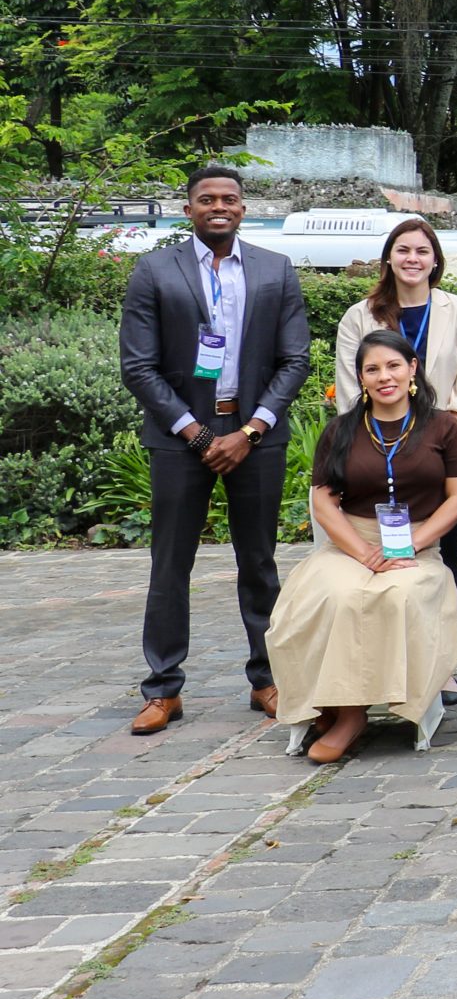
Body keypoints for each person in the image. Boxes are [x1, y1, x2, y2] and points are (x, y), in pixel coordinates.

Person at [118, 163, 313, 734]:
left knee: (259, 561)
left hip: (256, 436)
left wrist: (250, 431)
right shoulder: (155, 270)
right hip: (180, 438)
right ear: (189, 210)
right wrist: (197, 434)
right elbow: (138, 366)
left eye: (229, 198)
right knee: (169, 563)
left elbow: (295, 360)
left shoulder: (275, 269)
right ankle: (163, 689)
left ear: (243, 208)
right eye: (207, 199)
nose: (219, 206)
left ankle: (267, 678)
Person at [269, 330, 457, 763]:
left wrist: (411, 546)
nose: (385, 377)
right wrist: (363, 554)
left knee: (399, 595)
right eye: (373, 369)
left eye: (394, 365)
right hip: (351, 544)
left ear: (412, 369)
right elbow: (324, 503)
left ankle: (355, 711)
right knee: (336, 594)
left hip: (417, 547)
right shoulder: (341, 430)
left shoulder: (443, 428)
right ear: (360, 377)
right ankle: (344, 709)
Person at [332, 216, 457, 705]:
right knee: (382, 562)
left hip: (447, 459)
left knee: (444, 561)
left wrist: (431, 446)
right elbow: (351, 391)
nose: (412, 259)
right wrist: (390, 449)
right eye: (403, 250)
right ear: (389, 259)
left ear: (435, 260)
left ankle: (444, 668)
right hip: (375, 458)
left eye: (422, 251)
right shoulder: (359, 317)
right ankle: (384, 663)